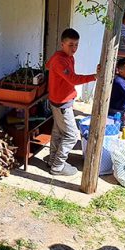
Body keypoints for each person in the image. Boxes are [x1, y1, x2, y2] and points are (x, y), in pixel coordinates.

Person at [46, 28, 99, 176]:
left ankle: (52, 160)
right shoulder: (59, 60)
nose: (74, 48)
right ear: (62, 43)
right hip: (61, 103)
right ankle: (57, 166)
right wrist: (94, 76)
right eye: (70, 45)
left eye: (76, 45)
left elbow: (47, 65)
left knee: (57, 132)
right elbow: (73, 79)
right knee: (71, 135)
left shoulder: (64, 57)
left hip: (59, 101)